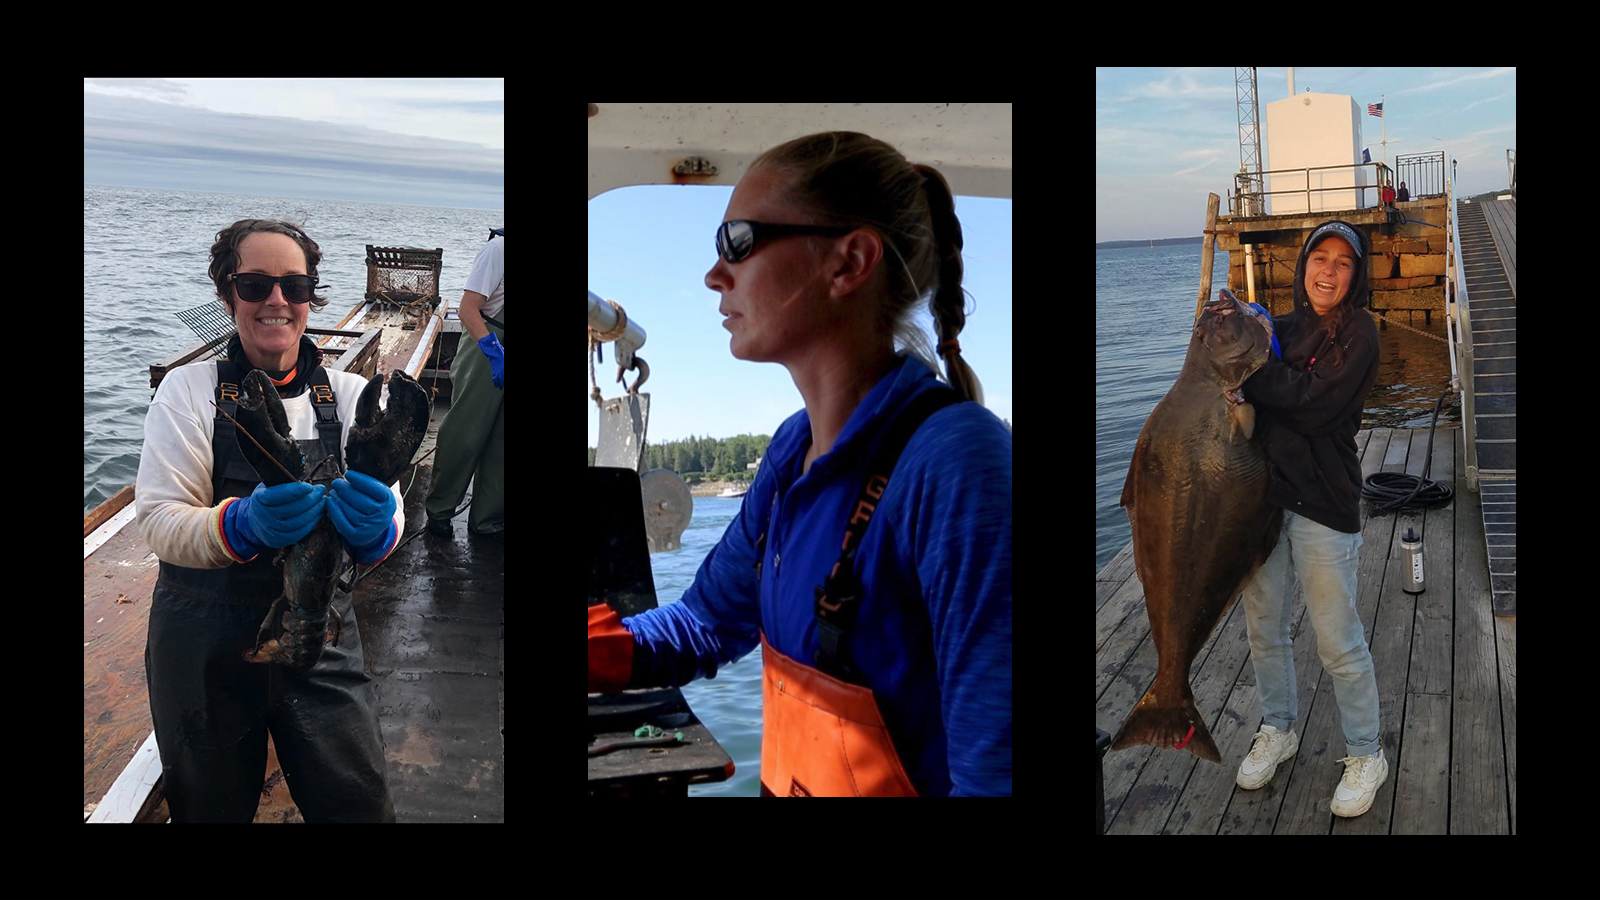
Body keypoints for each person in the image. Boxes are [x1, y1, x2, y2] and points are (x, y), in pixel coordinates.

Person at [588, 132, 1013, 796]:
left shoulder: (958, 464)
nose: (713, 274)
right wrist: (597, 648)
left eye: (737, 242)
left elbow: (995, 776)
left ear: (849, 261)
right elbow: (707, 622)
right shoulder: (792, 452)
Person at [136, 219, 399, 822]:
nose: (276, 301)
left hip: (320, 635)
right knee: (209, 808)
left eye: (294, 285)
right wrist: (238, 525)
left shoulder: (351, 393)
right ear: (229, 296)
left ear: (311, 296)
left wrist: (379, 527)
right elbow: (157, 519)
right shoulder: (188, 390)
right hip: (203, 645)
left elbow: (393, 513)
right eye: (254, 285)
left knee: (358, 802)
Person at [1237, 220, 1386, 817]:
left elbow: (1314, 405)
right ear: (1302, 267)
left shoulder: (1361, 332)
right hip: (1263, 503)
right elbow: (1249, 402)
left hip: (1324, 501)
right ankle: (1278, 727)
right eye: (1318, 258)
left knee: (1337, 639)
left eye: (1342, 263)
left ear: (1357, 275)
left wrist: (1249, 371)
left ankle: (1366, 751)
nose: (1327, 271)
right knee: (1264, 630)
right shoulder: (1278, 328)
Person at [425, 228, 504, 538]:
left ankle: (488, 521)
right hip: (487, 344)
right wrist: (491, 349)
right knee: (466, 432)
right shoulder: (499, 249)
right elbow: (469, 308)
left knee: (502, 441)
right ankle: (439, 510)